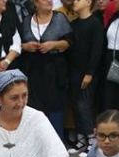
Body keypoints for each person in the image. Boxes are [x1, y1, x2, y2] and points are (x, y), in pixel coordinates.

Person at [18, 0, 72, 138]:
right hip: (32, 71)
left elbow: (69, 42)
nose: (49, 1)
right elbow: (17, 44)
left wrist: (53, 45)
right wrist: (25, 47)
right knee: (34, 108)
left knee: (55, 107)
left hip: (55, 71)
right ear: (36, 3)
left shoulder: (59, 18)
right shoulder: (26, 20)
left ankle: (56, 141)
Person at [67, 0, 103, 155]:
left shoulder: (95, 23)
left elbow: (97, 50)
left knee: (84, 106)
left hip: (88, 73)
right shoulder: (73, 24)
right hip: (73, 72)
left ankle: (92, 141)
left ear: (88, 2)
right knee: (76, 105)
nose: (74, 1)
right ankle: (81, 139)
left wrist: (90, 73)